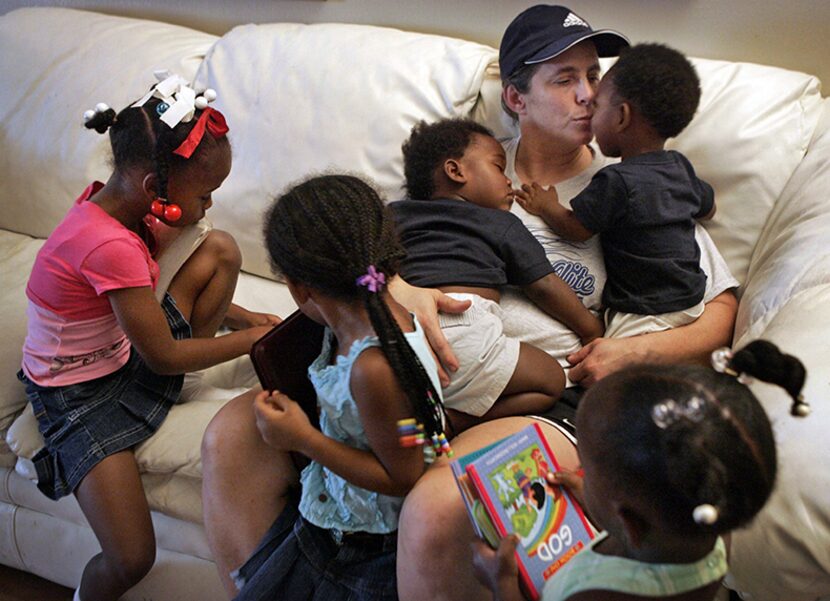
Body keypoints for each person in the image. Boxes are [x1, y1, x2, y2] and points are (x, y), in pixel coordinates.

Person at [396, 6, 739, 600]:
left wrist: (629, 352)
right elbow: (385, 239)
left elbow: (721, 308)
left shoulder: (638, 182)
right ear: (515, 97)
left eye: (593, 77)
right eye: (564, 79)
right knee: (234, 435)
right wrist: (398, 287)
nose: (587, 94)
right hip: (432, 368)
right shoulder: (467, 164)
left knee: (436, 507)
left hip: (557, 397)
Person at [16, 73, 276, 601]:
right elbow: (160, 356)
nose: (207, 208)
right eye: (204, 195)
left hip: (120, 351)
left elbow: (143, 309)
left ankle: (197, 360)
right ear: (156, 190)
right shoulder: (107, 243)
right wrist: (252, 344)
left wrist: (242, 315)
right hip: (78, 395)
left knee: (220, 247)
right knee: (131, 556)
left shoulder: (119, 207)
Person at [226, 174, 454, 600]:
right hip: (340, 518)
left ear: (298, 287)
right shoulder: (371, 317)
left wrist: (303, 438)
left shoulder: (373, 369)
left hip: (363, 548)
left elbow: (404, 474)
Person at [471, 340, 810, 601]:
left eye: (586, 467)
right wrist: (597, 501)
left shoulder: (595, 595)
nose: (578, 469)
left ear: (629, 522)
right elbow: (645, 519)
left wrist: (501, 583)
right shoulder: (713, 526)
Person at [391, 118, 603, 429]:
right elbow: (544, 285)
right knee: (550, 381)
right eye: (497, 167)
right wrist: (591, 330)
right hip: (463, 328)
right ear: (456, 171)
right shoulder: (497, 222)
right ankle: (450, 422)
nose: (508, 181)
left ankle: (428, 410)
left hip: (395, 332)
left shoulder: (394, 214)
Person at [516, 43, 716, 339]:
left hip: (641, 310)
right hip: (691, 300)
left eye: (597, 106)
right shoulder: (680, 167)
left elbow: (576, 228)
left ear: (621, 116)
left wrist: (546, 206)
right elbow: (709, 207)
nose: (588, 105)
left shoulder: (616, 181)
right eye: (564, 79)